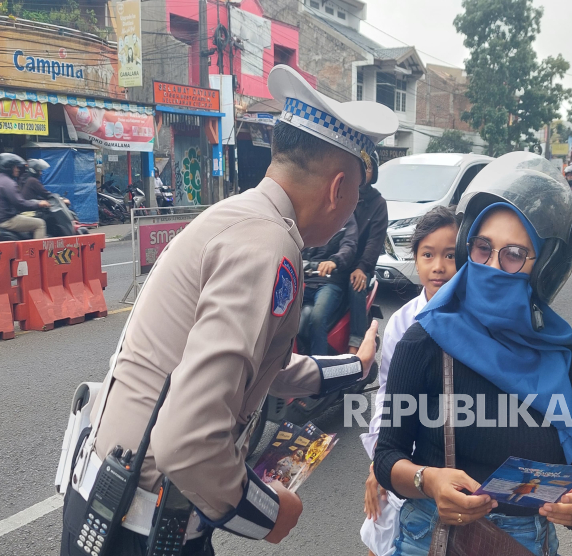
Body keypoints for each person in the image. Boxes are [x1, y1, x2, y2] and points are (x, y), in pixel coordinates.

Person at [60, 65, 398, 556]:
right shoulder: (269, 246)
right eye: (356, 199)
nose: (351, 215)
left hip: (120, 509)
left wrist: (356, 365)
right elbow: (188, 441)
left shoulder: (245, 217)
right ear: (339, 187)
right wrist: (267, 514)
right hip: (137, 530)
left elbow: (266, 371)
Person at [374, 152, 572, 556]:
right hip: (432, 537)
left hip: (528, 542)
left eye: (513, 254)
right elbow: (387, 458)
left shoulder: (571, 361)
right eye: (482, 248)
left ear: (542, 265)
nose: (492, 265)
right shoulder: (425, 340)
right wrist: (429, 481)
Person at [360, 206, 459, 556]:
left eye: (450, 255)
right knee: (380, 530)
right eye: (428, 255)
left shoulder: (475, 320)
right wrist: (379, 463)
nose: (439, 267)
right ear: (414, 260)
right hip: (406, 454)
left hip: (456, 457)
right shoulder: (403, 323)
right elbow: (387, 395)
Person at [348, 151, 388, 354]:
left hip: (361, 266)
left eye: (368, 166)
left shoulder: (379, 204)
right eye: (360, 165)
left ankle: (355, 346)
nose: (364, 171)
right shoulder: (343, 195)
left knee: (355, 286)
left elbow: (375, 241)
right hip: (338, 259)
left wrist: (362, 267)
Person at [299, 215, 358, 355]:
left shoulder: (346, 218)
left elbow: (349, 245)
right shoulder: (310, 216)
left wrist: (334, 261)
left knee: (317, 317)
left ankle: (319, 367)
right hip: (306, 280)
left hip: (329, 282)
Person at [0, 154, 49, 239]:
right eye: (16, 167)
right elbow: (20, 203)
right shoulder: (9, 183)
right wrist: (39, 204)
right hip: (6, 220)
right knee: (40, 224)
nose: (18, 170)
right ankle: (37, 252)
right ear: (9, 168)